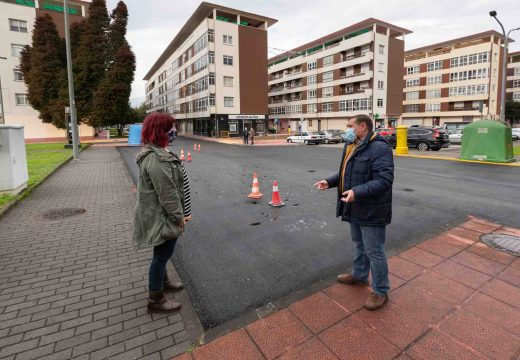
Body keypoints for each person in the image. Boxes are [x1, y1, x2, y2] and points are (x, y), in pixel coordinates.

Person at [314, 114, 394, 311]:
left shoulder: (379, 147)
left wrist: (357, 193)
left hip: (372, 209)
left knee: (374, 251)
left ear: (363, 127)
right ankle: (359, 275)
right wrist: (330, 181)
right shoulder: (352, 145)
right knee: (359, 244)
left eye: (350, 125)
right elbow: (346, 173)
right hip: (355, 206)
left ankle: (380, 291)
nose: (347, 129)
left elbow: (384, 180)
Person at [133, 112, 186, 313]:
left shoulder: (155, 153)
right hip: (161, 216)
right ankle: (155, 299)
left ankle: (163, 282)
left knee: (161, 253)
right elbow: (168, 194)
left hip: (158, 214)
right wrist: (179, 217)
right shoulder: (156, 158)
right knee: (162, 255)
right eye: (170, 127)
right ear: (160, 130)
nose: (174, 131)